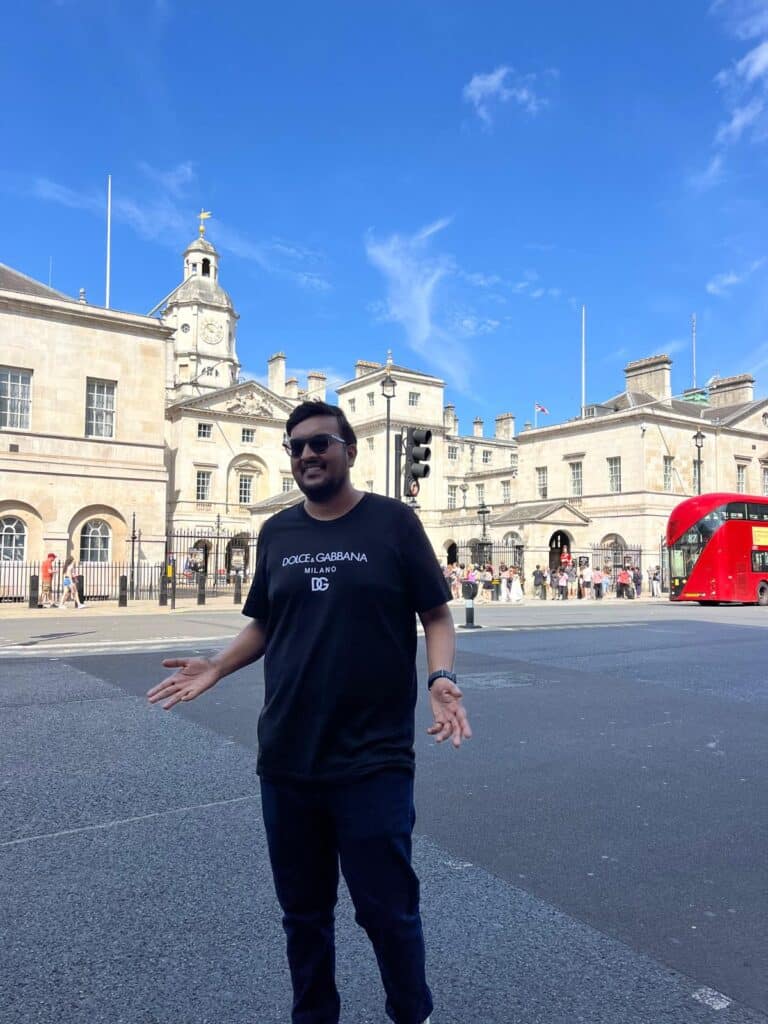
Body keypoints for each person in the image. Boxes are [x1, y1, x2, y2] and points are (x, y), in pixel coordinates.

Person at [147, 400, 470, 1024]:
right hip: (288, 756)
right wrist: (216, 665)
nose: (307, 455)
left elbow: (435, 614)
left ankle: (412, 1013)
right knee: (303, 915)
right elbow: (266, 622)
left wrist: (440, 677)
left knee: (386, 908)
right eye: (295, 447)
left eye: (320, 443)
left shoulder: (393, 523)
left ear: (350, 449)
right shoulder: (279, 533)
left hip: (372, 758)